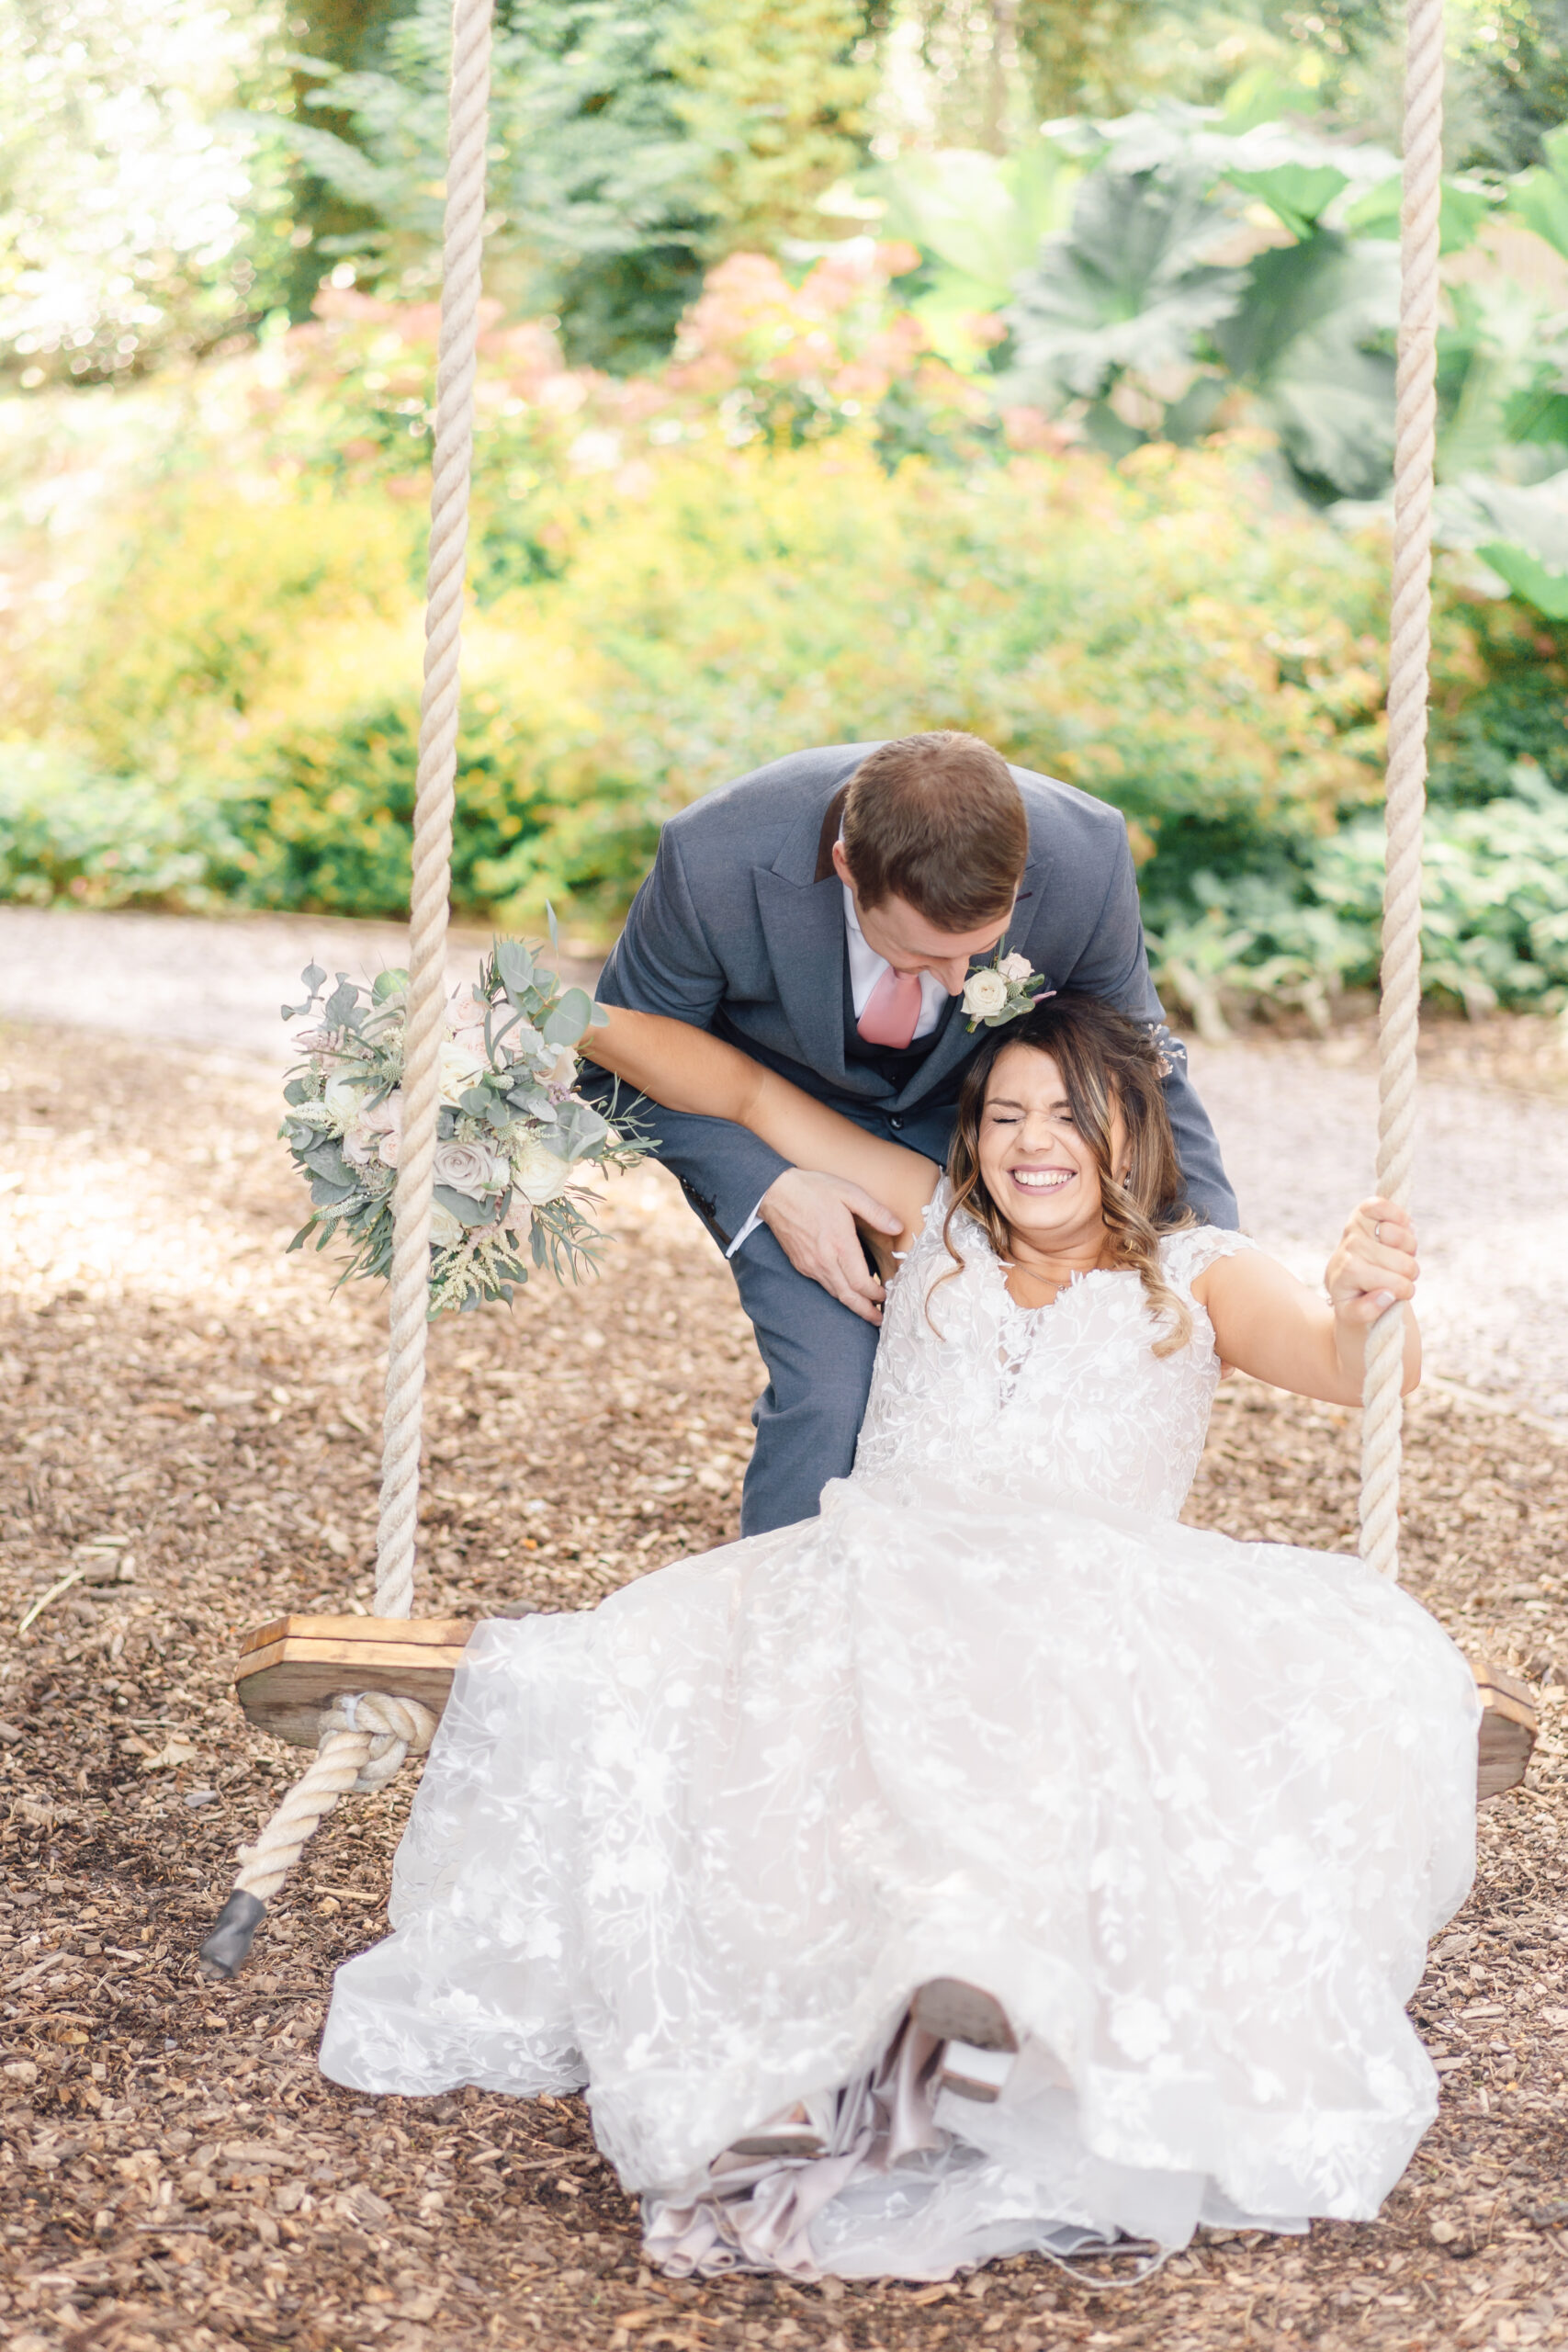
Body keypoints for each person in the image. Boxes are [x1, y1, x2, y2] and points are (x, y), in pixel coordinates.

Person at [319, 994, 1478, 2284]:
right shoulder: (927, 1217)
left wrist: (1366, 1302)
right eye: (1002, 1116)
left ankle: (898, 2080)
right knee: (656, 1706)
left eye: (1065, 1116)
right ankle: (859, 2076)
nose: (1030, 1144)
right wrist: (550, 1021)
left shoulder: (1194, 1271)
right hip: (880, 1584)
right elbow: (746, 1098)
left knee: (1016, 1785)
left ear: (1128, 1130)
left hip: (1079, 1607)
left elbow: (1354, 1364)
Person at [580, 731, 1236, 1534]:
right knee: (830, 1395)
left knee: (1031, 1396)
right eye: (924, 952)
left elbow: (1137, 1062)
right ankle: (784, 1639)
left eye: (978, 952)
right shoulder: (713, 859)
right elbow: (620, 1060)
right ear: (848, 865)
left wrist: (1205, 1249)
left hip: (986, 1141)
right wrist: (770, 1187)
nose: (960, 982)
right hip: (778, 1133)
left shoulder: (1085, 851)